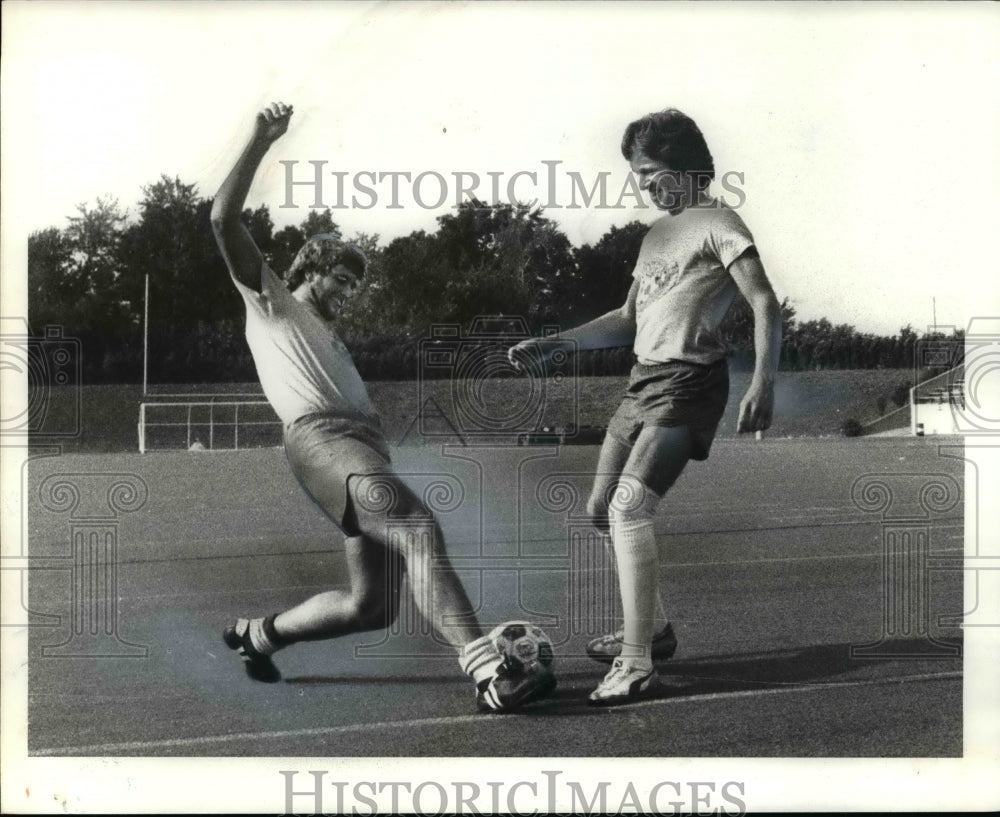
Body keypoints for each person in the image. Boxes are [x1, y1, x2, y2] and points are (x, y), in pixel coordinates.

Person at [211, 102, 554, 712]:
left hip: (360, 449)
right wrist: (260, 139)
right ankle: (488, 675)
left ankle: (257, 636)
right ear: (310, 269)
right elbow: (223, 217)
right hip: (324, 444)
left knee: (371, 607)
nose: (348, 290)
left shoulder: (329, 334)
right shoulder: (272, 303)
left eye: (354, 282)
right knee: (419, 529)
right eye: (340, 277)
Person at [509, 108, 781, 706]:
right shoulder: (656, 235)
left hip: (690, 381)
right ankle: (654, 632)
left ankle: (636, 664)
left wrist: (763, 382)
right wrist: (557, 343)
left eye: (653, 172)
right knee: (603, 508)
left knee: (633, 506)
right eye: (637, 174)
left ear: (687, 167)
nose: (645, 185)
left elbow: (764, 302)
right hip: (642, 381)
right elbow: (627, 319)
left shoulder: (719, 221)